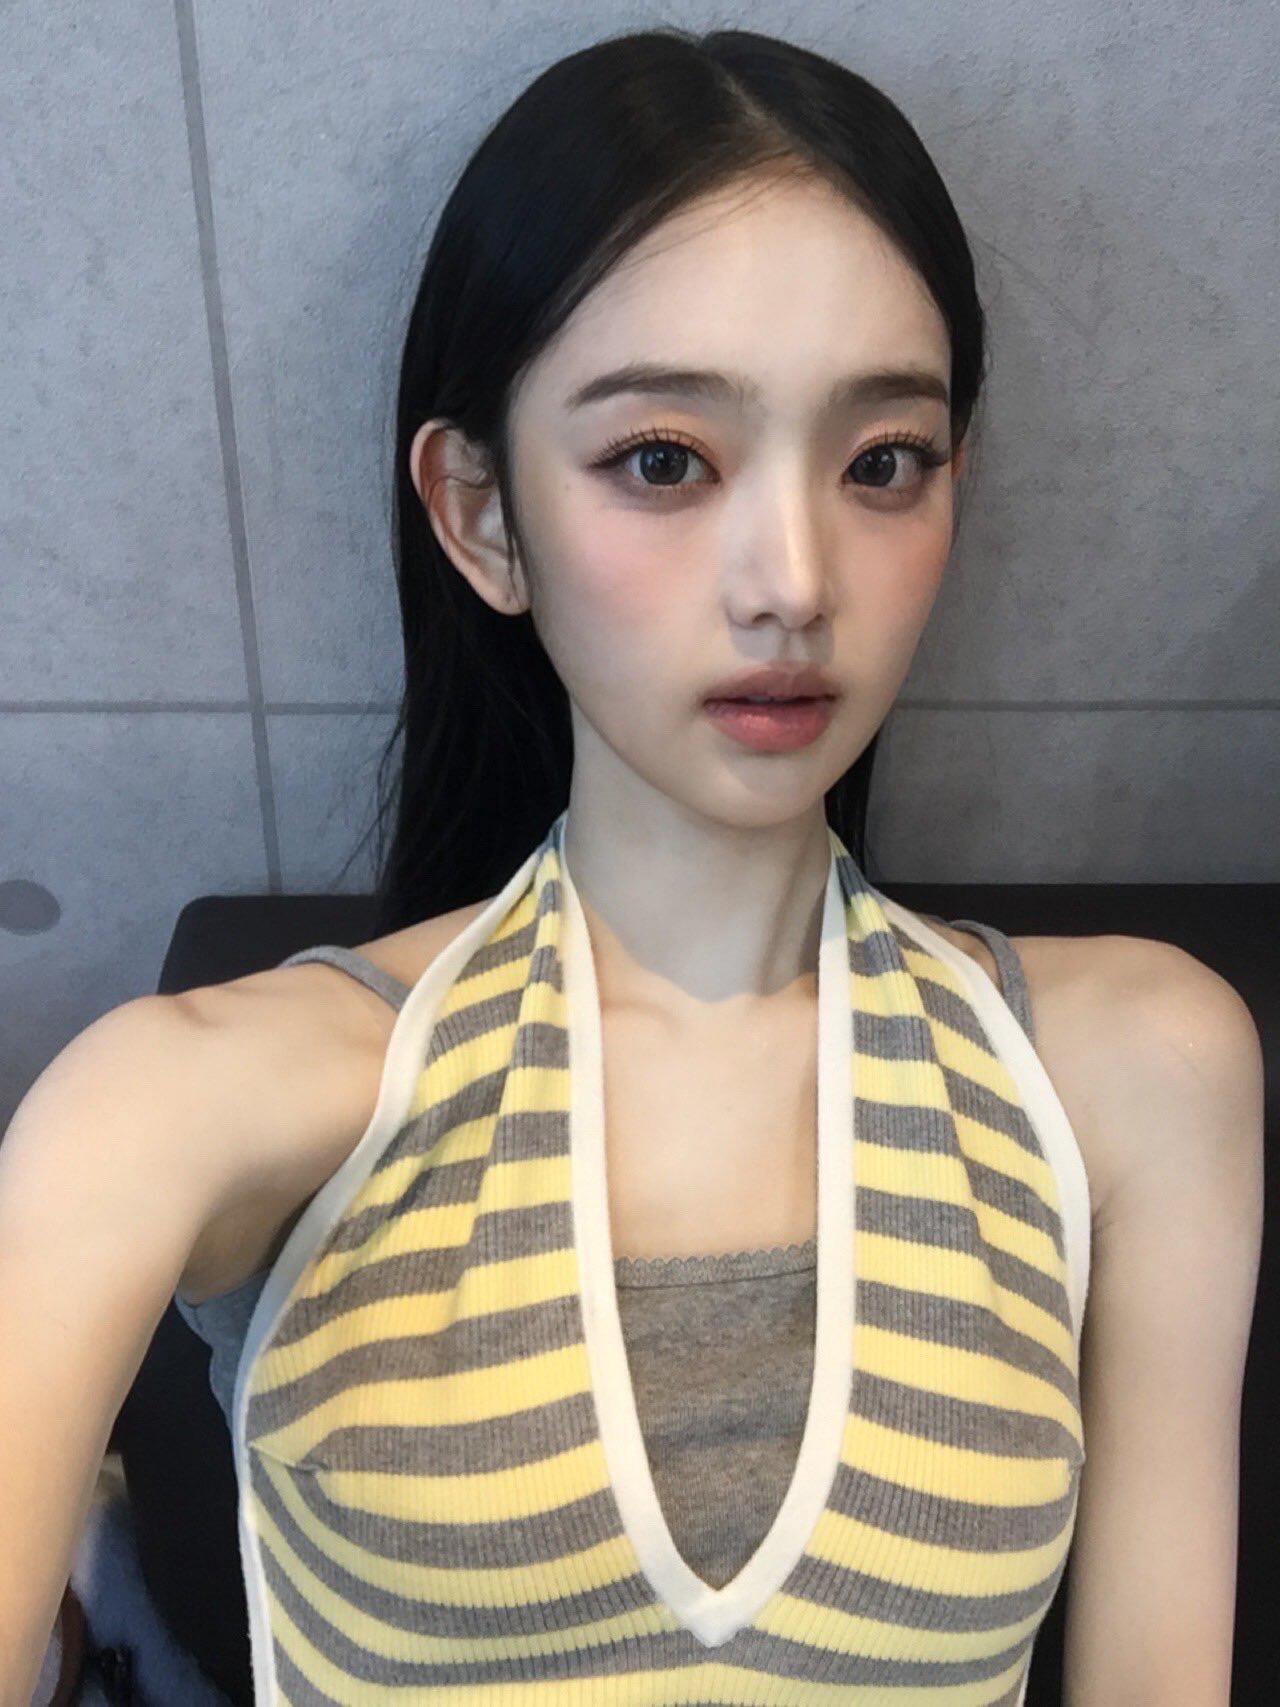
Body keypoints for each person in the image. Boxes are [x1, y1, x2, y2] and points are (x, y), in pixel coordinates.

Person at [0, 25, 1263, 1706]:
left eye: (882, 462)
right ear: (481, 516)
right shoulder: (186, 1108)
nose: (792, 581)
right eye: (663, 460)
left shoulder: (1133, 1073)